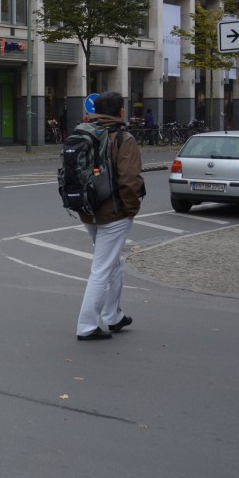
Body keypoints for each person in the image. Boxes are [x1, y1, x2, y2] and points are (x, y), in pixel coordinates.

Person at [76, 91, 145, 341]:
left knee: (115, 262)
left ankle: (113, 316)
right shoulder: (122, 139)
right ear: (121, 112)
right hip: (114, 213)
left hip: (87, 210)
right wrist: (130, 211)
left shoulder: (85, 133)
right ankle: (86, 326)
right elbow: (130, 180)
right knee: (102, 268)